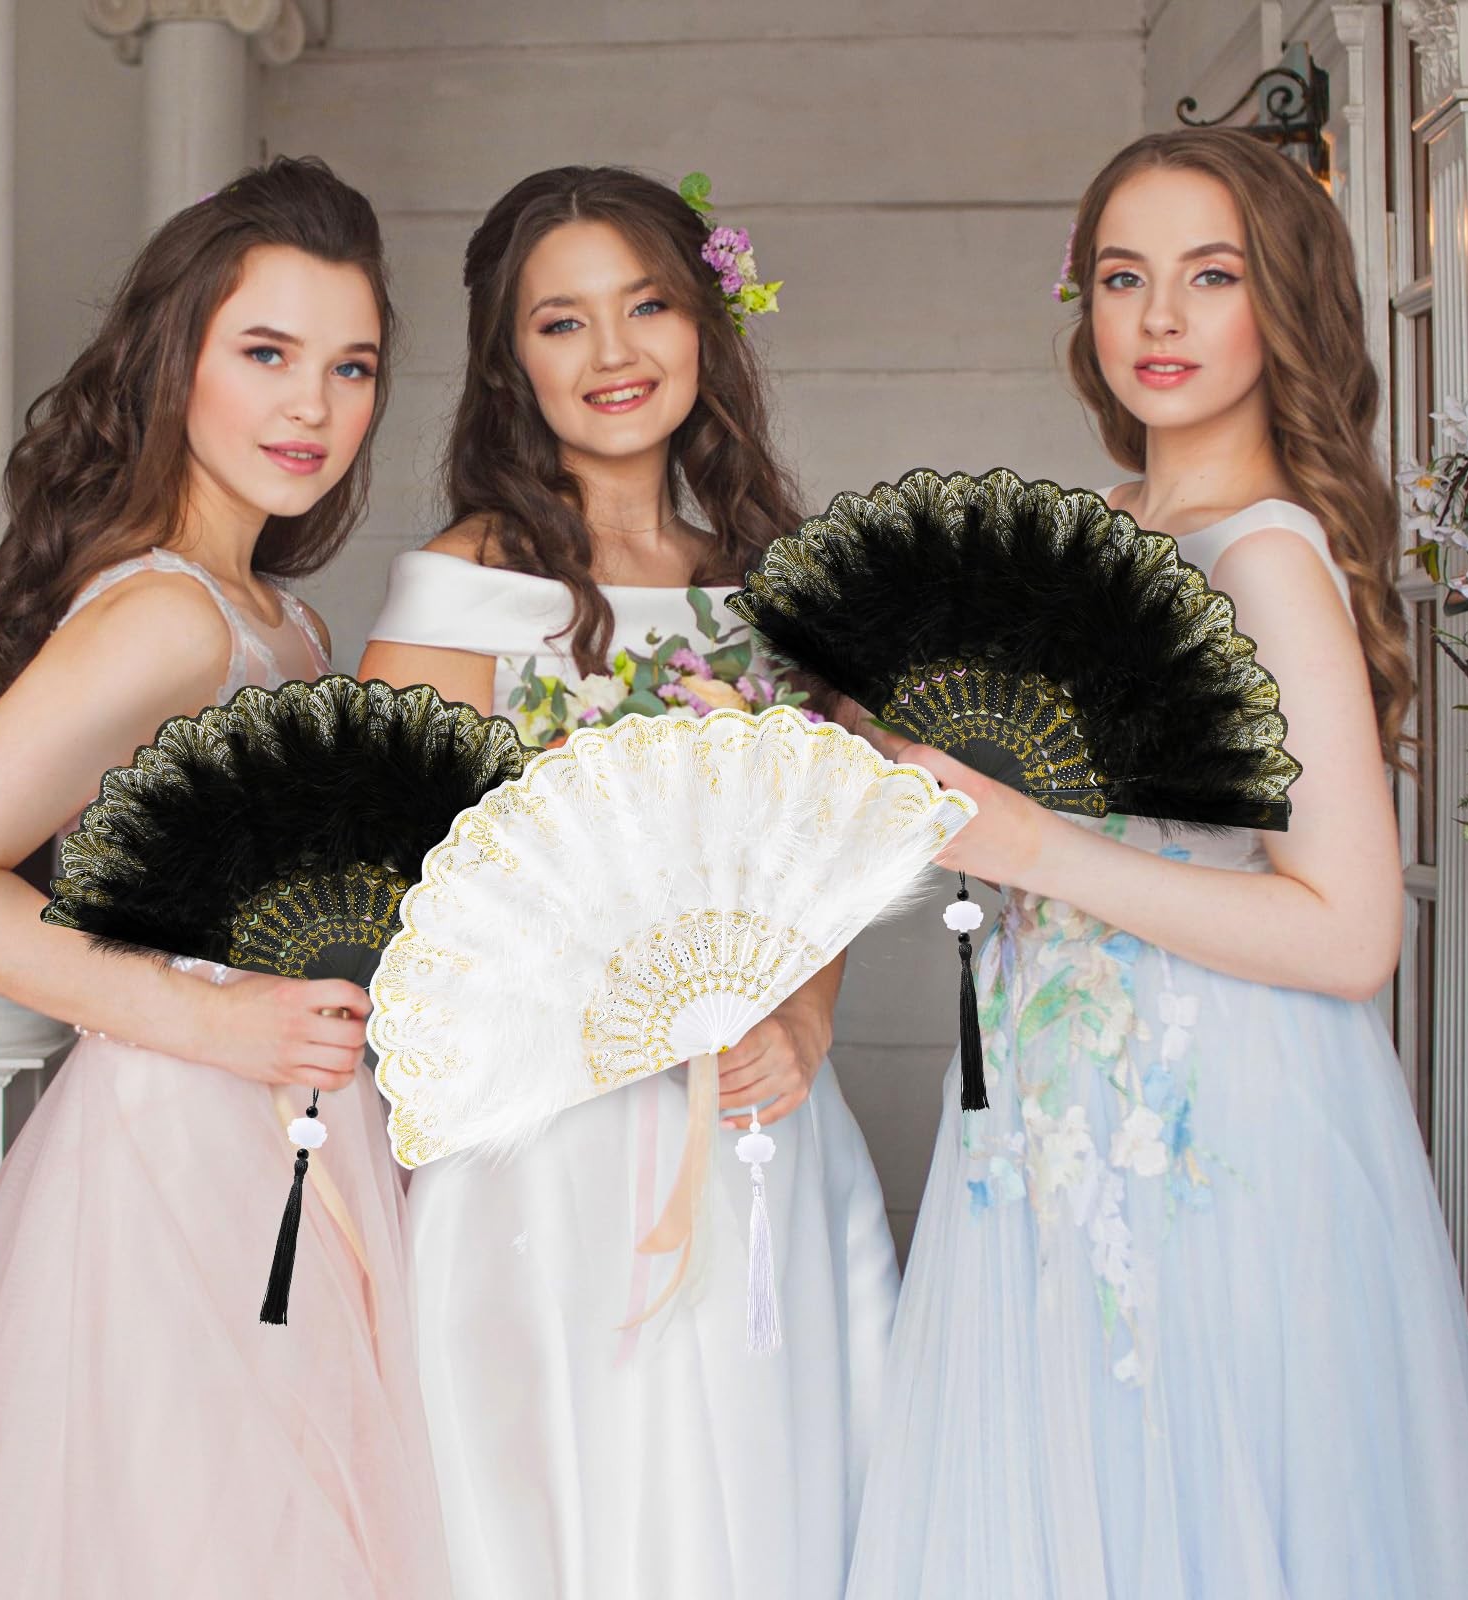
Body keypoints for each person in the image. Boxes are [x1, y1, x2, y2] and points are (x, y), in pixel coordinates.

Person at [849, 129, 1468, 1599]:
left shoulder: (1261, 561)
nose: (1159, 317)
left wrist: (1035, 844)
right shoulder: (1098, 537)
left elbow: (1351, 933)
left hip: (1205, 1131)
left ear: (1282, 298)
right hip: (1037, 1117)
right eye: (1123, 277)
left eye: (1210, 276)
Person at [358, 164, 898, 1600]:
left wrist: (806, 1019)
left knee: (764, 1497)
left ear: (707, 323)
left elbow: (830, 851)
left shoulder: (780, 588)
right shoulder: (462, 591)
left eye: (646, 306)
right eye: (562, 321)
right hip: (550, 1151)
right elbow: (400, 901)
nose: (613, 353)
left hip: (763, 1121)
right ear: (509, 362)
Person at [0, 158, 452, 1599]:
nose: (312, 406)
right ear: (178, 363)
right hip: (184, 1135)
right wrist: (212, 1019)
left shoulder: (285, 622)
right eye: (266, 353)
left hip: (297, 1125)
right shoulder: (167, 616)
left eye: (351, 367)